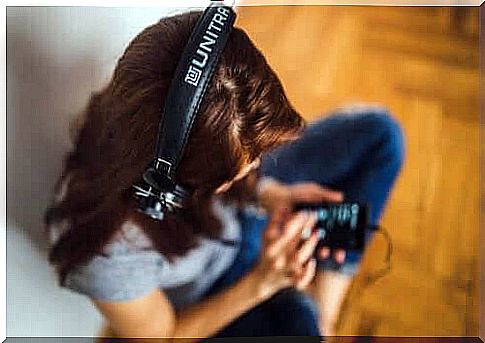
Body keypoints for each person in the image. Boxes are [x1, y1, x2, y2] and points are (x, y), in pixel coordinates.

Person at [43, 9, 405, 341]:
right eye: (237, 171)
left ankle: (324, 310)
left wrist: (267, 193)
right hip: (220, 288)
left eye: (257, 157)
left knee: (380, 136)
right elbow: (166, 336)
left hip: (238, 215)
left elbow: (245, 167)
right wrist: (262, 283)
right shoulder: (101, 255)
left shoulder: (147, 98)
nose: (256, 168)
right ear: (168, 190)